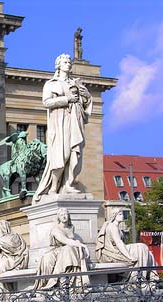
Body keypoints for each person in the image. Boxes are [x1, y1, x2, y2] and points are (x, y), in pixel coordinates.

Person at [33, 54, 93, 203]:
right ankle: (54, 187)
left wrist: (85, 96)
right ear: (58, 65)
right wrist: (66, 99)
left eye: (69, 62)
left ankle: (69, 184)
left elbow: (87, 102)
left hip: (74, 121)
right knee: (62, 154)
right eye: (65, 62)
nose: (68, 64)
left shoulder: (75, 83)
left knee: (74, 153)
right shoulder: (51, 83)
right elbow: (46, 102)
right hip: (60, 123)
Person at [95, 208, 158, 281]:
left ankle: (145, 277)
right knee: (141, 247)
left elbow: (121, 244)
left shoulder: (117, 228)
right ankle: (139, 279)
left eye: (122, 214)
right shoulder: (112, 226)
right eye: (120, 214)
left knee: (145, 250)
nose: (122, 216)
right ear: (114, 216)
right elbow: (119, 243)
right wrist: (129, 257)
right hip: (111, 253)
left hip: (116, 251)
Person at [34, 208, 89, 289]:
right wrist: (83, 245)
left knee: (68, 250)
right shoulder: (56, 229)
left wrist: (77, 243)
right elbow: (66, 240)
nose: (64, 216)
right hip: (56, 251)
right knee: (64, 251)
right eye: (61, 215)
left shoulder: (71, 227)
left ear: (69, 216)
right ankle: (57, 282)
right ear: (58, 217)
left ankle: (70, 281)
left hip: (67, 249)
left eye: (65, 214)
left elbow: (70, 241)